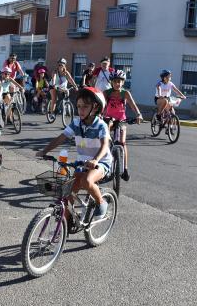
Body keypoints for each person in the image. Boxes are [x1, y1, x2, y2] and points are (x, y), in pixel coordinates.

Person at [36, 87, 112, 220]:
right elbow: (61, 138)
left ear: (95, 108)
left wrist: (95, 160)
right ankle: (65, 224)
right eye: (79, 106)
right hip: (82, 162)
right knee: (69, 192)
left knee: (87, 181)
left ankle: (101, 202)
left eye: (85, 106)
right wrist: (45, 151)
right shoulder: (76, 123)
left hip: (101, 162)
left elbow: (105, 145)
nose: (81, 110)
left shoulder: (101, 125)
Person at [103, 70, 143, 181]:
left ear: (123, 82)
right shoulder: (107, 93)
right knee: (104, 138)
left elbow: (133, 105)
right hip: (109, 119)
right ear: (111, 82)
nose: (118, 84)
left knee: (122, 142)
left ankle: (125, 168)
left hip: (121, 120)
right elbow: (100, 105)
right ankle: (104, 162)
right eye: (115, 81)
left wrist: (138, 114)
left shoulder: (125, 93)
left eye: (120, 81)